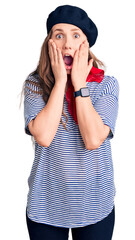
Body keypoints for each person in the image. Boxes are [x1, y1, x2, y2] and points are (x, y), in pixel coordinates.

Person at [23, 4, 119, 240]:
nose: (67, 44)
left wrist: (79, 84)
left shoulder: (107, 85)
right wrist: (59, 83)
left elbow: (94, 139)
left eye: (75, 35)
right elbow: (44, 136)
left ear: (85, 44)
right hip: (45, 206)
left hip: (96, 204)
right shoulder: (34, 85)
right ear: (50, 43)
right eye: (59, 35)